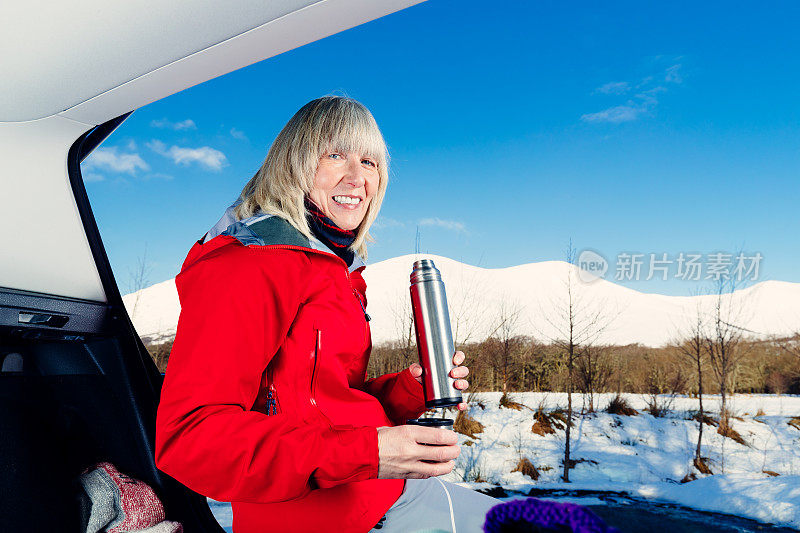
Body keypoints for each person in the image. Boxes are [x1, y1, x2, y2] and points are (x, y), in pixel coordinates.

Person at [155, 96, 499, 533]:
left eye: (370, 162)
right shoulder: (248, 265)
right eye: (335, 154)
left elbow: (324, 401)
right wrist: (369, 453)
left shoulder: (334, 267)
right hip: (316, 518)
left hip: (384, 494)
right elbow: (191, 438)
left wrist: (411, 391)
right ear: (294, 163)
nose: (357, 177)